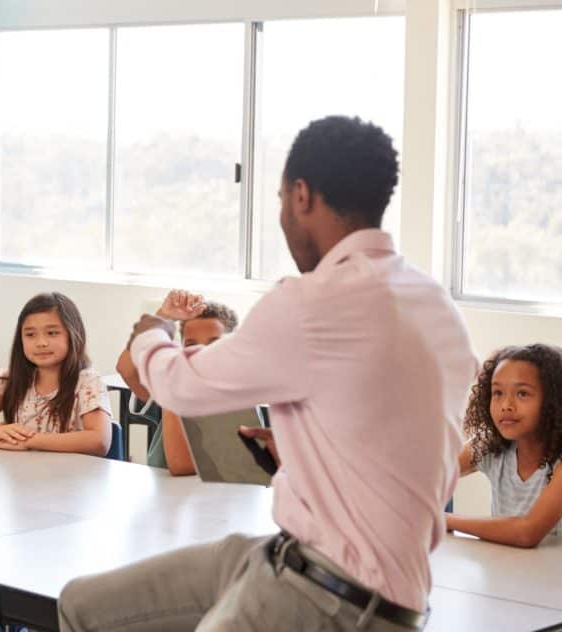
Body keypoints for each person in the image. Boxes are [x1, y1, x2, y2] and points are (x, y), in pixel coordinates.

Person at [59, 115, 478, 631]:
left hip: (331, 598)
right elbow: (406, 444)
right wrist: (309, 451)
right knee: (82, 603)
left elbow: (179, 387)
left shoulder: (316, 300)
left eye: (280, 199)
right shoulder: (435, 305)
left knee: (83, 612)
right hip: (299, 557)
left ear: (301, 195)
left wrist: (153, 328)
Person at [0, 292, 112, 457]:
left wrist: (30, 441)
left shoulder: (87, 381)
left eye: (52, 333)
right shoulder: (15, 379)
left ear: (73, 335)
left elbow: (99, 440)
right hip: (21, 476)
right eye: (30, 335)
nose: (41, 343)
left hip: (69, 477)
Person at [447, 344, 562, 546]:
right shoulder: (490, 444)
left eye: (522, 394)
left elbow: (527, 532)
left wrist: (445, 520)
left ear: (553, 402)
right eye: (498, 393)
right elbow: (435, 475)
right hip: (505, 572)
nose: (506, 405)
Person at [116, 289, 238, 475]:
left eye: (214, 344)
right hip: (166, 497)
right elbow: (126, 367)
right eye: (191, 345)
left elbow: (182, 466)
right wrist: (163, 318)